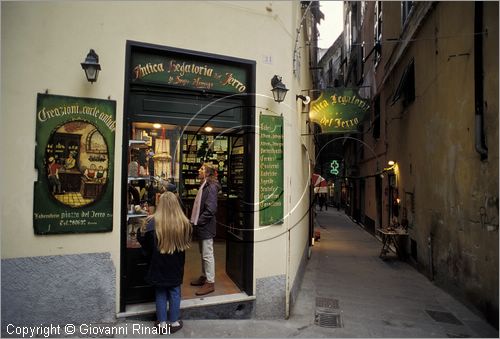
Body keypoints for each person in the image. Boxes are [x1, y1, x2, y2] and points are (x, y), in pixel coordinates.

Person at [136, 191, 192, 334]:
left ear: (160, 205)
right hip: (176, 265)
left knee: (160, 292)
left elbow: (143, 241)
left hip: (158, 265)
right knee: (175, 291)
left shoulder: (151, 223)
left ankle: (161, 323)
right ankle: (173, 322)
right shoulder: (184, 223)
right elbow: (187, 242)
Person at [190, 162, 220, 296]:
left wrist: (198, 221)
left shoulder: (211, 187)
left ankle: (210, 282)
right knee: (203, 253)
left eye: (202, 169)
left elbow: (211, 209)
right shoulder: (205, 185)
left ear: (207, 173)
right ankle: (204, 276)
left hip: (206, 226)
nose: (199, 170)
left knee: (207, 254)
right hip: (203, 226)